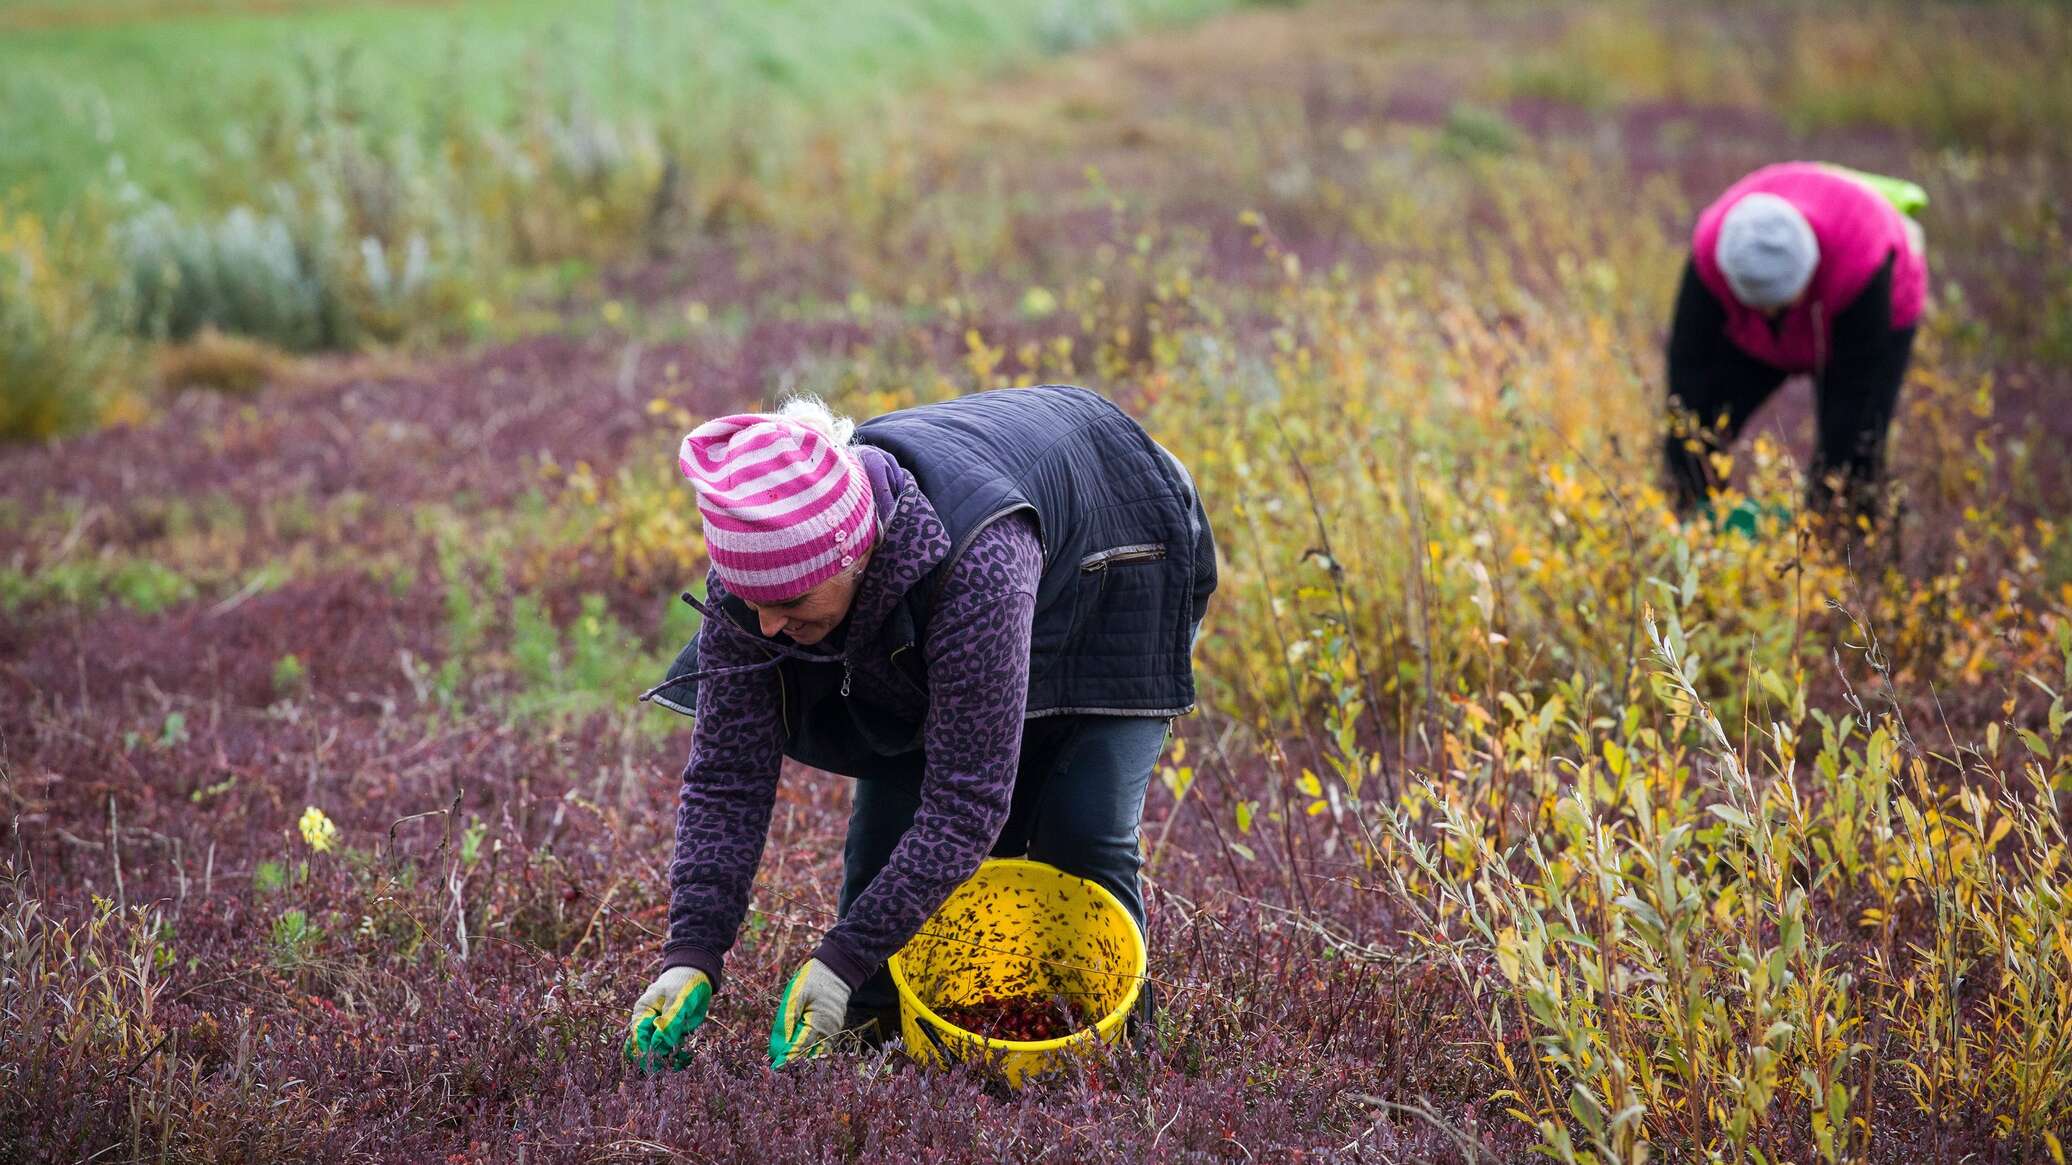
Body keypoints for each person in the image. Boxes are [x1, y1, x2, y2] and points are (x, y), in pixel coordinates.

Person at [623, 384, 1216, 1070]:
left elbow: (966, 802)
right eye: (752, 603)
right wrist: (691, 953)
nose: (767, 626)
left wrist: (838, 956)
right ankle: (867, 1024)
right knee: (896, 814)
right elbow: (728, 778)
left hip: (1124, 545)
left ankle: (1114, 1058)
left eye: (789, 603)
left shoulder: (978, 562)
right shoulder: (757, 565)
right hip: (996, 560)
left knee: (1081, 823)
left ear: (854, 552)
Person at [1663, 161, 1929, 525]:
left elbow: (1853, 395)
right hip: (1759, 323)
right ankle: (1696, 529)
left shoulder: (1860, 262)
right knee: (1703, 424)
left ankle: (1845, 548)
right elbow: (1688, 368)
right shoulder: (1712, 250)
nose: (1773, 312)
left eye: (1781, 303)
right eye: (1762, 304)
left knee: (1856, 452)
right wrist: (1688, 480)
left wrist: (1821, 507)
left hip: (1866, 304)